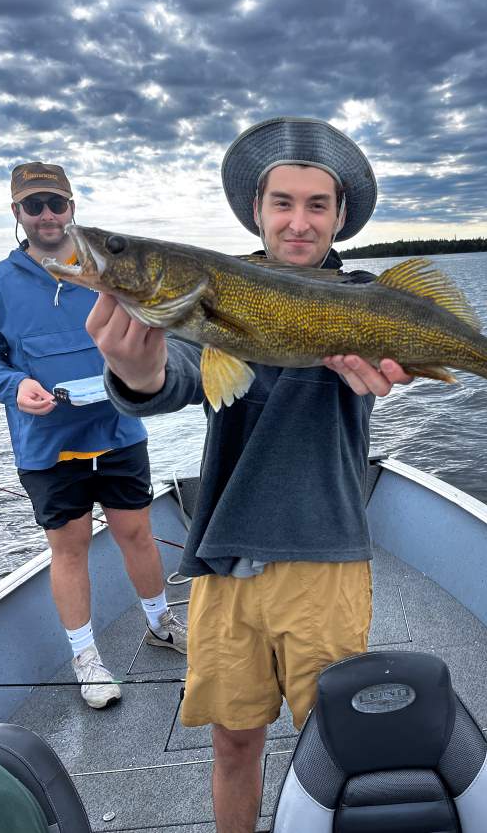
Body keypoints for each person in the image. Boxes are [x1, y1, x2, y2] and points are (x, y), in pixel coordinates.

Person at [86, 117, 411, 832]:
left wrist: (411, 364)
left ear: (340, 216)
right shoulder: (212, 292)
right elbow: (171, 374)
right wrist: (134, 371)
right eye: (283, 203)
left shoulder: (364, 296)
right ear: (258, 212)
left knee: (338, 745)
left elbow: (403, 358)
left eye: (317, 204)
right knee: (234, 742)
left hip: (326, 555)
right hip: (226, 558)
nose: (299, 221)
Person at [0, 162, 187, 710]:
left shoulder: (111, 272)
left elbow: (154, 334)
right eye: (35, 206)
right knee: (69, 549)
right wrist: (15, 385)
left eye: (56, 203)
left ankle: (160, 623)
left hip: (119, 429)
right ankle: (86, 657)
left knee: (137, 534)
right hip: (47, 443)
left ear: (73, 207)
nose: (48, 214)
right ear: (18, 214)